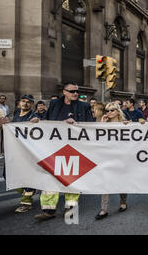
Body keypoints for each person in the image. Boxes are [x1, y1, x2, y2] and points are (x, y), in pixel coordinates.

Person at [34, 82, 94, 221]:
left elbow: (90, 125)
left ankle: (70, 207)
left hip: (74, 147)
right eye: (72, 91)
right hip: (54, 147)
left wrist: (76, 123)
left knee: (71, 179)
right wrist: (38, 121)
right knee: (50, 178)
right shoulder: (55, 104)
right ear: (64, 92)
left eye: (76, 91)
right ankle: (48, 210)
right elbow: (47, 120)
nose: (75, 94)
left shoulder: (84, 106)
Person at [0, 95, 39, 213]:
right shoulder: (15, 116)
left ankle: (26, 201)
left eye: (29, 102)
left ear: (32, 105)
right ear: (19, 103)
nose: (25, 104)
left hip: (27, 153)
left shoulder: (34, 116)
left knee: (27, 178)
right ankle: (31, 190)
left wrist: (36, 122)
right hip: (14, 152)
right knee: (8, 176)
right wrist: (5, 125)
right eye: (23, 101)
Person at [95, 102, 130, 220]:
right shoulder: (104, 123)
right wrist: (102, 124)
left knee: (122, 181)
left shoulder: (124, 124)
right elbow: (97, 138)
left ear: (117, 111)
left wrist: (128, 126)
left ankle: (123, 202)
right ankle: (103, 209)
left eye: (112, 110)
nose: (109, 113)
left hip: (121, 157)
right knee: (106, 182)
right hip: (107, 157)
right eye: (107, 111)